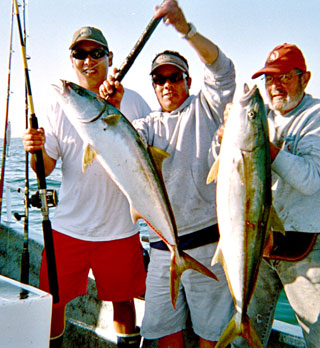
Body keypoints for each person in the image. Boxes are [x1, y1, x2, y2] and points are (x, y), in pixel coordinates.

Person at [100, 1, 236, 347]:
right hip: (161, 249)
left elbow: (223, 70)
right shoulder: (145, 127)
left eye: (174, 77)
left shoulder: (205, 109)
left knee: (211, 335)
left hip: (208, 244)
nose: (166, 84)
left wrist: (185, 29)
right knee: (163, 333)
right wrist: (111, 109)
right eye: (159, 79)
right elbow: (117, 147)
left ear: (188, 81)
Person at [22, 26, 150, 348]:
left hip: (120, 227)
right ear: (71, 59)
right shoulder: (58, 104)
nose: (88, 60)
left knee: (123, 301)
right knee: (52, 301)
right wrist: (34, 149)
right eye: (80, 54)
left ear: (110, 58)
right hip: (68, 227)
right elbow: (46, 167)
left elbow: (152, 160)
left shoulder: (133, 102)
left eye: (96, 53)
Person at [231, 43, 320, 347]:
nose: (275, 86)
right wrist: (229, 140)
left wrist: (262, 147)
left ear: (304, 78)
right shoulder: (260, 116)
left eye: (285, 77)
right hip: (263, 244)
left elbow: (310, 180)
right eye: (269, 79)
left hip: (311, 247)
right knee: (243, 338)